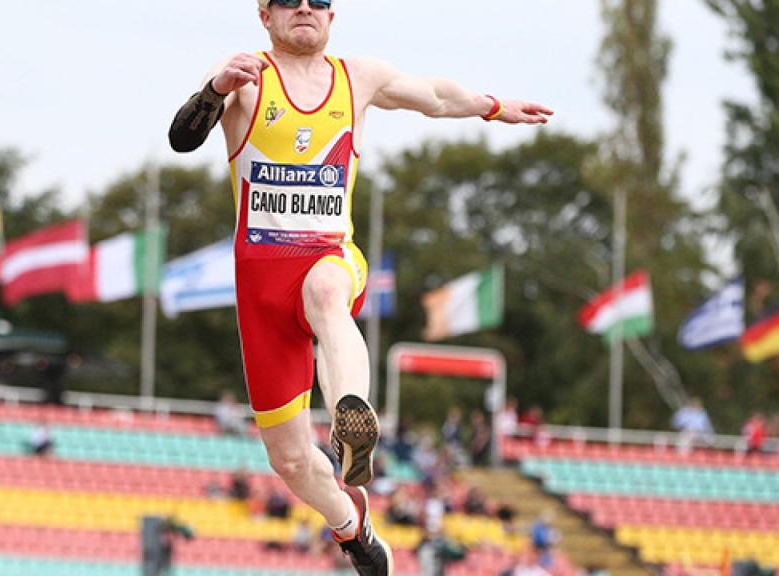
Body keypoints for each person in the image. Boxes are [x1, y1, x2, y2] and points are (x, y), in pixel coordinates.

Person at [169, 1, 551, 573]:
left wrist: (494, 107)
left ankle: (353, 415)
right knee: (292, 462)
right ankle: (352, 528)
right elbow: (182, 136)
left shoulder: (357, 78)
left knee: (326, 296)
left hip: (328, 255)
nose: (304, 7)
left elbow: (436, 96)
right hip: (260, 283)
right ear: (264, 15)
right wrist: (215, 89)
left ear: (332, 15)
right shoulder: (243, 76)